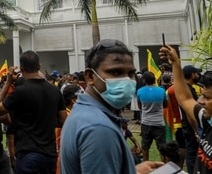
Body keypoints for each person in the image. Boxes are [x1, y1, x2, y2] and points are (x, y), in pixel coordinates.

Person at [59, 39, 163, 174]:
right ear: (90, 76)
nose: (126, 80)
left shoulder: (82, 110)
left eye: (131, 74)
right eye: (115, 72)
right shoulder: (98, 128)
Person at [0, 50, 66, 174]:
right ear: (39, 66)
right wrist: (46, 121)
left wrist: (8, 82)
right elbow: (63, 120)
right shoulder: (55, 90)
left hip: (28, 154)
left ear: (21, 69)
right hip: (49, 154)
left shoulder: (20, 92)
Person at [162, 44, 212, 173]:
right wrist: (175, 63)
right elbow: (185, 99)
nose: (200, 102)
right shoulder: (206, 120)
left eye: (207, 98)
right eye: (201, 96)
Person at [137, 71, 167, 161]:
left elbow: (140, 106)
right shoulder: (161, 91)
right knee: (161, 147)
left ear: (144, 80)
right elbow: (166, 105)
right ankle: (164, 166)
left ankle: (146, 165)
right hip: (159, 122)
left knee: (145, 147)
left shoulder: (140, 91)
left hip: (146, 122)